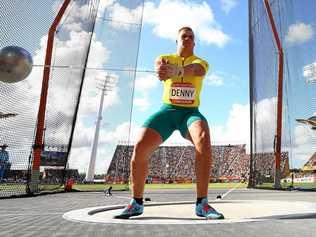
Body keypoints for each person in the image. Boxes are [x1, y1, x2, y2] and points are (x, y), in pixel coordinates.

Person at [114, 27, 224, 220]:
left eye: (191, 37)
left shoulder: (201, 62)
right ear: (177, 41)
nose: (187, 39)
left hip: (189, 113)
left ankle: (202, 204)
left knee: (203, 138)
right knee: (139, 146)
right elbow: (160, 68)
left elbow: (198, 70)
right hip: (167, 111)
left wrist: (178, 71)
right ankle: (136, 203)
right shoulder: (164, 57)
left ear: (194, 43)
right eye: (184, 36)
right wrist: (163, 70)